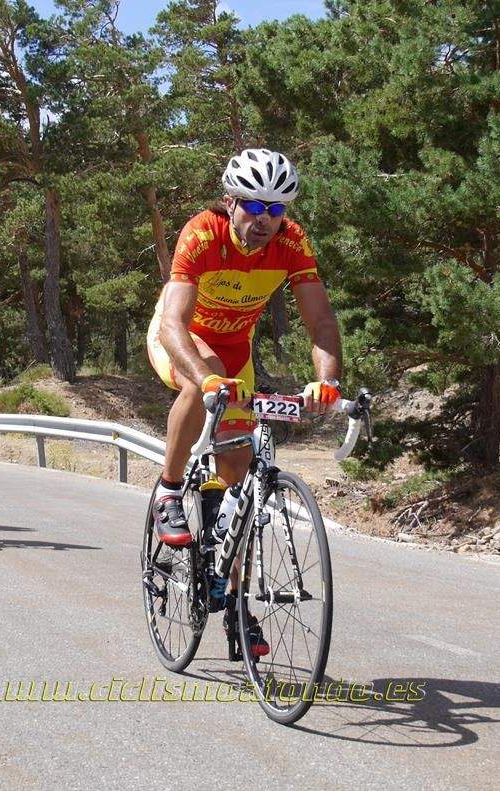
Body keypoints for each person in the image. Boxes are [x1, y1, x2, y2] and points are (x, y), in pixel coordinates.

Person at [147, 149, 344, 655]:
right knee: (202, 382)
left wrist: (327, 383)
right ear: (230, 201)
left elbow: (320, 323)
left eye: (277, 210)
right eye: (254, 206)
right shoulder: (202, 234)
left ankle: (236, 604)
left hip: (236, 350)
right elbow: (173, 324)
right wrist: (206, 380)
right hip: (182, 338)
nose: (265, 220)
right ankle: (170, 491)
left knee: (241, 489)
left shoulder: (292, 242)